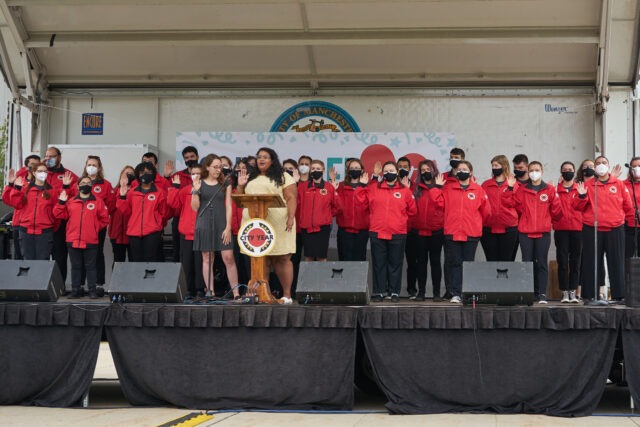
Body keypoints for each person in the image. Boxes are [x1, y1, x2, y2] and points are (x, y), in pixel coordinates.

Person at [236, 147, 297, 304]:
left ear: (272, 160)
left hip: (279, 223)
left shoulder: (283, 176)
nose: (261, 159)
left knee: (281, 258)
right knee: (259, 259)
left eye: (265, 157)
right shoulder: (250, 177)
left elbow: (291, 197)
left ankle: (287, 295)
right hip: (256, 224)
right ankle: (262, 294)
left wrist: (291, 216)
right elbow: (239, 198)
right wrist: (241, 185)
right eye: (259, 157)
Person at [574, 155, 633, 303]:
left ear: (608, 165)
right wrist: (581, 197)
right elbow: (577, 207)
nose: (601, 165)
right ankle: (589, 295)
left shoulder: (619, 184)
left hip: (615, 228)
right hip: (592, 229)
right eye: (598, 163)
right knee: (591, 262)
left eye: (604, 163)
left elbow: (628, 206)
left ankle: (619, 296)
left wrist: (620, 220)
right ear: (594, 167)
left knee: (617, 262)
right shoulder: (588, 185)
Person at [432, 161, 491, 303]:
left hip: (471, 233)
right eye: (459, 169)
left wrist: (475, 223)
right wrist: (437, 188)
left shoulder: (478, 190)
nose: (461, 171)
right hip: (453, 232)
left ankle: (468, 293)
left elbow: (487, 212)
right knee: (455, 263)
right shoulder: (448, 188)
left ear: (471, 173)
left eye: (464, 169)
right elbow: (437, 203)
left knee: (468, 264)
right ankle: (456, 293)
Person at [356, 161, 416, 302]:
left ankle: (394, 292)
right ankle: (379, 292)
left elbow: (413, 210)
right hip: (377, 232)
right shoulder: (373, 188)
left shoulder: (405, 190)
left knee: (395, 264)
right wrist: (361, 186)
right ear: (383, 173)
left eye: (392, 170)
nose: (389, 173)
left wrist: (401, 220)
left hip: (398, 233)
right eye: (386, 170)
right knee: (379, 263)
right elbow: (361, 203)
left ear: (396, 172)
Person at [504, 161, 562, 304]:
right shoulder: (522, 189)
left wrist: (555, 197)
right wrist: (510, 188)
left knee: (541, 263)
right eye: (532, 170)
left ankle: (541, 294)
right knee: (527, 263)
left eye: (537, 170)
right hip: (525, 232)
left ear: (542, 171)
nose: (534, 172)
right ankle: (528, 293)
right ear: (528, 172)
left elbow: (557, 212)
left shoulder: (549, 189)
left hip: (543, 233)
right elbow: (509, 203)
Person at [192, 154, 240, 299]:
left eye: (221, 167)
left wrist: (227, 227)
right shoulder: (199, 182)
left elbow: (229, 206)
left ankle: (236, 293)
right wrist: (195, 190)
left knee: (228, 257)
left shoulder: (225, 182)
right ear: (207, 167)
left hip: (221, 223)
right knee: (207, 257)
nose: (219, 170)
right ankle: (210, 292)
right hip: (204, 223)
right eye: (215, 167)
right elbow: (195, 208)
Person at [53, 176, 109, 298]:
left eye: (88, 183)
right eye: (83, 182)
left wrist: (94, 228)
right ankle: (75, 290)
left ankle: (92, 290)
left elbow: (105, 219)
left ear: (92, 186)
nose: (86, 184)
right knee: (76, 266)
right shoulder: (71, 201)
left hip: (90, 240)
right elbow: (58, 214)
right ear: (78, 186)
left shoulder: (98, 201)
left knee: (91, 267)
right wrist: (61, 202)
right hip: (73, 240)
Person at [4, 162, 61, 260]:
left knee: (43, 262)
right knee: (27, 262)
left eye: (45, 171)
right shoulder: (25, 189)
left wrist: (49, 226)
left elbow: (57, 215)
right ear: (34, 173)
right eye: (40, 171)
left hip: (45, 233)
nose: (43, 173)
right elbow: (16, 204)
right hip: (26, 232)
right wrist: (13, 187)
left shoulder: (53, 192)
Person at [408, 159, 445, 301]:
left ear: (434, 170)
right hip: (419, 232)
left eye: (428, 169)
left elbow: (442, 205)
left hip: (436, 231)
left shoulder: (441, 186)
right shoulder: (416, 188)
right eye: (422, 170)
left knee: (435, 262)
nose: (425, 172)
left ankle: (436, 293)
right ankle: (421, 292)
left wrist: (436, 188)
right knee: (421, 263)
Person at [117, 162, 169, 262]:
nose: (145, 174)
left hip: (152, 232)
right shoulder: (132, 192)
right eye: (142, 172)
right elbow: (126, 211)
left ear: (153, 174)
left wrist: (157, 225)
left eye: (148, 172)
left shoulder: (159, 192)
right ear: (138, 175)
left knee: (151, 260)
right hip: (134, 232)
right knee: (136, 260)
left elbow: (164, 213)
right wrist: (122, 197)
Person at [168, 163, 205, 299]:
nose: (195, 175)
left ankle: (201, 289)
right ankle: (188, 289)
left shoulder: (207, 189)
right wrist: (174, 188)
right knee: (187, 263)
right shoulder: (185, 190)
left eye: (198, 173)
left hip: (202, 233)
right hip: (186, 232)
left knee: (201, 263)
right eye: (193, 173)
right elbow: (173, 205)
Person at [44, 146, 78, 282]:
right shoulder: (40, 173)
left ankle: (60, 286)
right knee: (41, 256)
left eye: (51, 156)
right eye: (46, 156)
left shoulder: (69, 176)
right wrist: (39, 165)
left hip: (61, 222)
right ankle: (40, 285)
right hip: (42, 222)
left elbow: (76, 198)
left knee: (60, 256)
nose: (48, 159)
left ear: (59, 157)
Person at [81, 155, 116, 288]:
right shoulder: (79, 183)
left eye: (94, 165)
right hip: (81, 226)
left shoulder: (106, 185)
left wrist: (102, 218)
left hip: (98, 227)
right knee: (81, 255)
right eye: (89, 164)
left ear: (99, 167)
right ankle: (80, 284)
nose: (91, 167)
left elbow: (111, 206)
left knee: (97, 253)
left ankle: (99, 283)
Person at [297, 159, 340, 262]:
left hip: (322, 229)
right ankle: (309, 278)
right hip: (306, 228)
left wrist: (326, 215)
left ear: (323, 170)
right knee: (308, 257)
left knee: (322, 257)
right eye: (313, 168)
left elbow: (338, 207)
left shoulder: (329, 187)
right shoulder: (303, 187)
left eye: (318, 168)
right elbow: (297, 205)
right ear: (310, 171)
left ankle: (322, 278)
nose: (315, 170)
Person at [163, 146, 200, 263]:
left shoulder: (204, 175)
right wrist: (167, 177)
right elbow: (167, 194)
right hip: (180, 218)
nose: (189, 159)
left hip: (200, 218)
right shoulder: (177, 176)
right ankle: (181, 280)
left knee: (200, 255)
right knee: (179, 253)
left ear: (197, 157)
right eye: (186, 158)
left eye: (192, 157)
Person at [553, 161, 582, 303]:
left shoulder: (580, 189)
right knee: (563, 262)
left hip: (578, 229)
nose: (567, 171)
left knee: (575, 262)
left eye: (570, 169)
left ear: (574, 171)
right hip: (561, 229)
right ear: (561, 172)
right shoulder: (555, 190)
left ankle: (573, 292)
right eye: (564, 169)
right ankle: (564, 292)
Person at [481, 155, 519, 261]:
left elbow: (516, 204)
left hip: (509, 228)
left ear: (504, 166)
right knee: (491, 260)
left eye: (496, 165)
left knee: (506, 260)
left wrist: (510, 188)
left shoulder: (514, 185)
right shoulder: (485, 185)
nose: (494, 168)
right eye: (492, 165)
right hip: (488, 228)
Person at [4, 154, 40, 259]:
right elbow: (7, 200)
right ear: (26, 166)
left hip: (36, 226)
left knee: (38, 258)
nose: (34, 167)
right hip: (19, 224)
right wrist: (11, 184)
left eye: (37, 165)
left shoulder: (43, 184)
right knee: (20, 257)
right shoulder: (19, 181)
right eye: (32, 164)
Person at [336, 158, 369, 261]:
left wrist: (362, 187)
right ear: (347, 170)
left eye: (357, 168)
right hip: (344, 231)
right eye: (352, 168)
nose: (354, 170)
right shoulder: (340, 186)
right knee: (344, 260)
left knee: (360, 260)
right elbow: (336, 206)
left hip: (362, 231)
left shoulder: (368, 187)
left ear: (362, 170)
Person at [230, 158, 253, 287]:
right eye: (238, 169)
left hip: (249, 233)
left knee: (249, 264)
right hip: (233, 232)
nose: (240, 171)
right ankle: (235, 290)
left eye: (244, 169)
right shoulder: (230, 189)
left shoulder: (253, 189)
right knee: (234, 262)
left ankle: (252, 289)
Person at [109, 165, 135, 264]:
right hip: (117, 232)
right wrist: (120, 194)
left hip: (132, 233)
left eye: (131, 174)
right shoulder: (113, 191)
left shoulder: (136, 192)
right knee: (118, 261)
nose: (128, 176)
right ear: (121, 176)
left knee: (134, 261)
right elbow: (109, 209)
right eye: (126, 174)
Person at [624, 157, 640, 259]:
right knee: (626, 256)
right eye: (634, 166)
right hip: (628, 226)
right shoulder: (622, 184)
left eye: (639, 166)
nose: (637, 168)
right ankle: (626, 275)